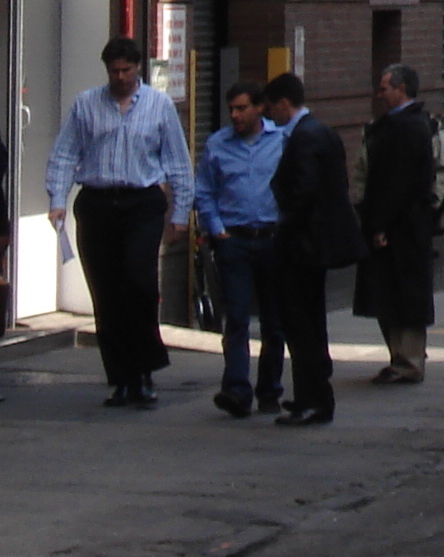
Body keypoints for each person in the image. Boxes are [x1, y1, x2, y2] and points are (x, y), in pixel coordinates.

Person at [44, 36, 194, 409]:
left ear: (138, 68)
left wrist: (180, 215)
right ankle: (120, 378)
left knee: (138, 283)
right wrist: (57, 200)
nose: (121, 77)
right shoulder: (86, 104)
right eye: (114, 71)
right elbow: (65, 154)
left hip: (141, 202)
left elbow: (178, 163)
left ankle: (143, 370)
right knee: (106, 292)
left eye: (127, 70)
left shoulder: (159, 107)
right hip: (97, 203)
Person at [262, 72, 360, 425]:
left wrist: (284, 226)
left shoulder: (304, 138)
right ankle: (314, 395)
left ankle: (312, 398)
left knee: (300, 324)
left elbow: (301, 193)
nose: (269, 117)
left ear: (285, 103)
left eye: (271, 108)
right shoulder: (322, 132)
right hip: (315, 245)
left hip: (302, 247)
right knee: (310, 321)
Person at [192, 81, 291, 418]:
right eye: (231, 109)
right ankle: (236, 389)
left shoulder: (281, 141)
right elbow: (204, 190)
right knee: (235, 317)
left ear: (259, 108)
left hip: (271, 239)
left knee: (274, 321)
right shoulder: (218, 145)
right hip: (233, 240)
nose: (234, 115)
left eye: (241, 108)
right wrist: (217, 230)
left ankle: (269, 390)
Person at [352, 64, 439, 385]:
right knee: (388, 294)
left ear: (401, 89)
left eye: (385, 88)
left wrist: (381, 226)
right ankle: (399, 357)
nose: (380, 93)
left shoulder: (409, 127)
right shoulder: (393, 125)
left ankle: (409, 360)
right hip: (395, 225)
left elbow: (397, 183)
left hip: (404, 229)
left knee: (406, 295)